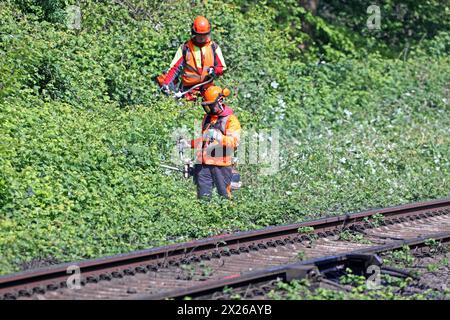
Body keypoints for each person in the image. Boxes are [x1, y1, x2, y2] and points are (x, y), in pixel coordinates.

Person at [179, 86, 240, 199]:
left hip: (221, 166)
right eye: (207, 105)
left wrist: (219, 137)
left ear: (220, 101)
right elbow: (204, 141)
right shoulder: (207, 118)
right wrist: (188, 144)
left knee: (224, 197)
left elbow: (234, 142)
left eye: (211, 105)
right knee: (203, 198)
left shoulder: (231, 120)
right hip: (204, 165)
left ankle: (228, 216)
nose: (209, 108)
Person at [158, 16, 227, 101]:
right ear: (194, 33)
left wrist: (214, 71)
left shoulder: (214, 47)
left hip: (207, 89)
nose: (202, 37)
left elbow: (222, 67)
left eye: (204, 35)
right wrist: (166, 84)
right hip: (188, 91)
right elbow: (174, 68)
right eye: (199, 35)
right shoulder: (185, 48)